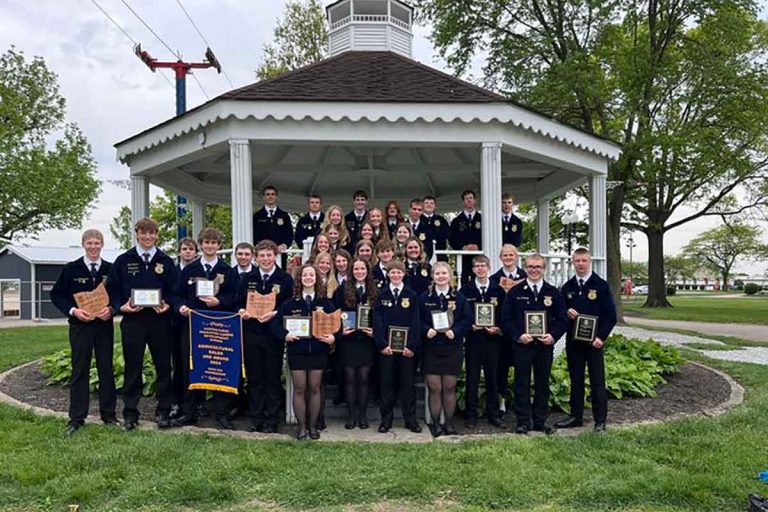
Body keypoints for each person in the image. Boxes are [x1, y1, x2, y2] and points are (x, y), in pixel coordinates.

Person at [107, 218, 178, 431]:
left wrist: (168, 304)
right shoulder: (123, 260)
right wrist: (121, 306)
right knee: (133, 367)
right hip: (133, 321)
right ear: (136, 234)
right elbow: (112, 289)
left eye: (152, 233)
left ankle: (163, 411)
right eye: (143, 233)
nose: (147, 237)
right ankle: (130, 413)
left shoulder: (165, 261)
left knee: (164, 367)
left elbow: (176, 291)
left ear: (157, 235)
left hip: (160, 321)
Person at [50, 229, 117, 435]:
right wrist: (73, 310)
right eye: (90, 243)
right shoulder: (72, 269)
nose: (93, 247)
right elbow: (57, 295)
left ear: (102, 245)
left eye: (97, 243)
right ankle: (77, 418)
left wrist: (112, 309)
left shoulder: (110, 269)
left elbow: (118, 294)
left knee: (106, 368)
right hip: (80, 326)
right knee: (80, 370)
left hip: (103, 326)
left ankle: (109, 415)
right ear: (83, 244)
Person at [172, 228, 238, 429]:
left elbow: (234, 298)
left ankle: (222, 413)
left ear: (219, 246)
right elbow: (176, 294)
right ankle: (189, 411)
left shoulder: (228, 271)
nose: (210, 246)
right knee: (190, 368)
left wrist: (218, 301)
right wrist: (180, 306)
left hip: (218, 327)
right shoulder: (189, 271)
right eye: (206, 243)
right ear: (200, 245)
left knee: (219, 368)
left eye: (213, 242)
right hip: (192, 326)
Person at [501, 254, 567, 435]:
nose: (534, 270)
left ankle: (540, 421)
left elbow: (562, 320)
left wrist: (553, 336)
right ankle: (522, 421)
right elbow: (505, 320)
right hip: (522, 346)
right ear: (525, 268)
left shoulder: (553, 293)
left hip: (544, 346)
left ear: (544, 268)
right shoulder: (515, 292)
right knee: (521, 383)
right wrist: (518, 335)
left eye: (538, 267)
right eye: (530, 267)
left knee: (542, 384)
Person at [555, 248, 617, 433]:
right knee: (576, 379)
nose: (580, 264)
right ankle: (576, 416)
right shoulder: (568, 287)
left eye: (584, 260)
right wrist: (566, 311)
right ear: (572, 262)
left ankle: (600, 421)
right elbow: (559, 315)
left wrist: (601, 337)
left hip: (594, 342)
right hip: (574, 342)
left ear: (589, 262)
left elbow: (611, 316)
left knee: (597, 380)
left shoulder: (601, 285)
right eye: (577, 261)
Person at [271, 264, 336, 440]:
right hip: (297, 351)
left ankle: (313, 427)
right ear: (300, 279)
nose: (308, 278)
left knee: (315, 388)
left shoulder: (325, 303)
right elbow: (275, 325)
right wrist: (285, 335)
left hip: (318, 351)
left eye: (311, 275)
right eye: (305, 275)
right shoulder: (290, 303)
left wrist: (333, 337)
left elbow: (337, 324)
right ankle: (301, 428)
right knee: (299, 389)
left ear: (317, 279)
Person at [236, 240, 295, 433]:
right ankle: (255, 418)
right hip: (251, 333)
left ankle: (271, 420)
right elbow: (238, 302)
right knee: (254, 379)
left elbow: (289, 306)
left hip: (273, 335)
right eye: (262, 255)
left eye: (269, 255)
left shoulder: (285, 279)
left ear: (275, 256)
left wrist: (276, 313)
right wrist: (243, 311)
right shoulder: (247, 278)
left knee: (272, 378)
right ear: (256, 257)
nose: (266, 259)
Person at [419, 261, 471, 436]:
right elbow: (416, 319)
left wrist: (455, 331)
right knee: (434, 387)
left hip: (452, 347)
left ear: (450, 276)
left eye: (444, 273)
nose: (441, 277)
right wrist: (427, 330)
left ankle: (449, 423)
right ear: (432, 277)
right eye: (437, 274)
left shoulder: (459, 298)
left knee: (449, 386)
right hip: (431, 347)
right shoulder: (425, 297)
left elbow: (467, 320)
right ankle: (435, 424)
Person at [373, 260, 422, 433]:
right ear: (387, 274)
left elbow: (416, 322)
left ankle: (410, 420)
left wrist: (412, 346)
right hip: (387, 350)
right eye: (392, 272)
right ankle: (386, 420)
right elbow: (377, 322)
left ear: (403, 274)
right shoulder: (382, 295)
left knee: (408, 385)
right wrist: (382, 344)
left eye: (399, 272)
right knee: (386, 384)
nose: (395, 275)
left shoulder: (412, 295)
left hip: (406, 350)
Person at [458, 255, 506, 429]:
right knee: (473, 378)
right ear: (473, 269)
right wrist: (469, 326)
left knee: (493, 377)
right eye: (477, 266)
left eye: (483, 266)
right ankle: (471, 414)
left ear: (489, 267)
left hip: (493, 341)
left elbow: (504, 315)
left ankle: (493, 414)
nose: (480, 269)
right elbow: (461, 316)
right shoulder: (465, 291)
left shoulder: (498, 291)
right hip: (473, 341)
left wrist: (498, 328)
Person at [333, 258, 377, 429]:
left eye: (362, 269)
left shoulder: (375, 291)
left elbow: (380, 315)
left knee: (364, 378)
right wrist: (340, 331)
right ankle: (352, 416)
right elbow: (335, 313)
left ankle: (363, 415)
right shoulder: (342, 290)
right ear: (352, 271)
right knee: (350, 378)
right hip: (348, 341)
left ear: (367, 271)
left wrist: (375, 331)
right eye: (356, 269)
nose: (359, 272)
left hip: (367, 342)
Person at [490, 244, 527, 414]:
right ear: (500, 258)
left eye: (511, 255)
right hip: (500, 332)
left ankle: (522, 403)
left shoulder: (526, 276)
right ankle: (501, 400)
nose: (508, 258)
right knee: (501, 368)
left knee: (521, 367)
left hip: (521, 331)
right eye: (505, 255)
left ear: (516, 257)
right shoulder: (493, 279)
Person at [172, 237, 199, 418]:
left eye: (191, 249)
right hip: (176, 322)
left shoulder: (200, 271)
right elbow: (173, 294)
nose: (188, 252)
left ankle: (199, 402)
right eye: (184, 249)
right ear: (179, 251)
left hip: (197, 323)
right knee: (179, 363)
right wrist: (178, 307)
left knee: (197, 363)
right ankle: (177, 400)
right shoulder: (173, 270)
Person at [252, 186, 294, 266]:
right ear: (264, 197)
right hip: (264, 254)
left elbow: (289, 234)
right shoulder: (257, 216)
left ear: (276, 197)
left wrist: (284, 245)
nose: (270, 196)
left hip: (280, 254)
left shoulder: (284, 215)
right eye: (267, 194)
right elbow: (254, 234)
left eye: (272, 194)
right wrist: (261, 246)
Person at [449, 189, 482, 284]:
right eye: (466, 198)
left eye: (471, 198)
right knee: (463, 281)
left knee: (478, 279)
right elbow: (452, 239)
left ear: (475, 200)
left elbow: (486, 237)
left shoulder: (482, 219)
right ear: (463, 201)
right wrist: (462, 247)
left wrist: (478, 246)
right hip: (463, 257)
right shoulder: (457, 221)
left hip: (479, 255)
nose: (469, 200)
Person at [422, 196, 450, 261]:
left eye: (431, 203)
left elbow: (446, 234)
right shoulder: (418, 220)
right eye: (426, 203)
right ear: (422, 205)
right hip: (422, 254)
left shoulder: (441, 220)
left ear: (435, 206)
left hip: (439, 253)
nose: (429, 205)